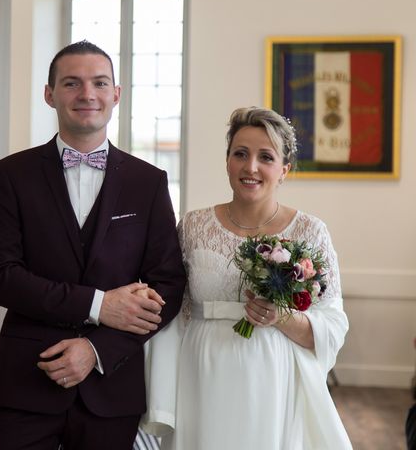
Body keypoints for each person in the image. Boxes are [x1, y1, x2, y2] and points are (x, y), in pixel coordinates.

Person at [0, 40, 186, 450]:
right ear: (49, 93)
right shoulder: (11, 175)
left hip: (111, 389)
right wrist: (97, 304)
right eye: (72, 83)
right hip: (25, 384)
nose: (87, 94)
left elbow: (169, 287)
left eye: (99, 83)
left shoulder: (148, 182)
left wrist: (96, 348)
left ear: (116, 95)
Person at [142, 106, 352, 449]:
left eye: (265, 157)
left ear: (283, 170)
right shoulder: (193, 226)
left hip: (274, 375)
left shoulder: (310, 231)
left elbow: (333, 323)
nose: (250, 167)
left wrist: (282, 316)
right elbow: (172, 314)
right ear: (227, 161)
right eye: (240, 154)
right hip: (202, 372)